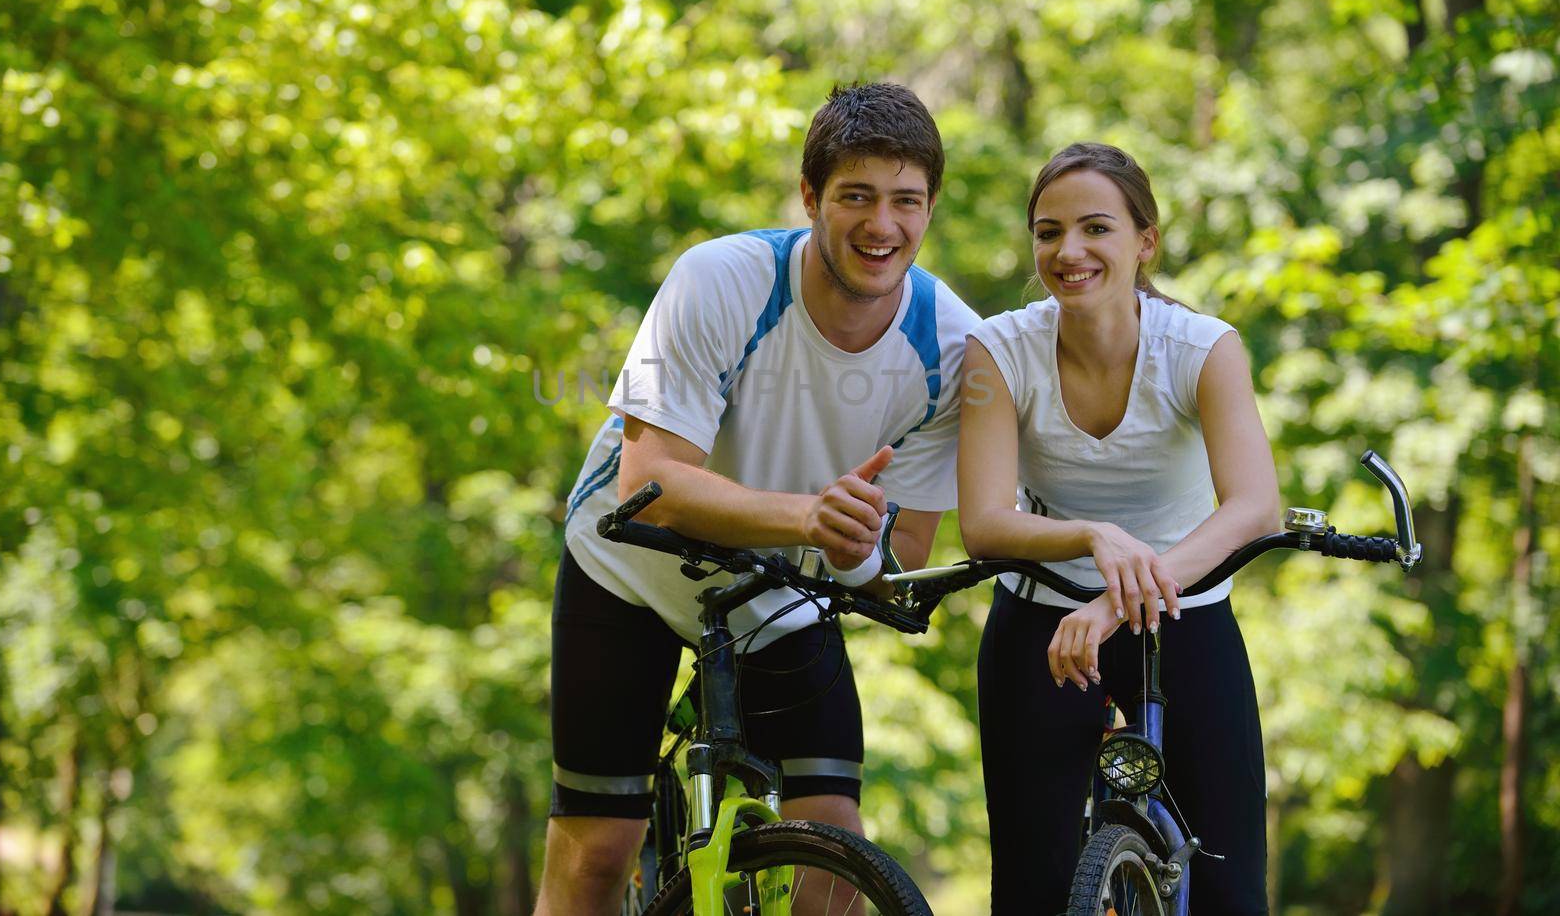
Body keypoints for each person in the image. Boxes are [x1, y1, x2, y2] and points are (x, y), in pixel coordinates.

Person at [535, 82, 981, 915]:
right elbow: (649, 483)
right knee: (599, 849)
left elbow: (905, 556)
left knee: (834, 848)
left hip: (777, 594)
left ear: (930, 208)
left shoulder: (955, 348)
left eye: (905, 201)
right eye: (855, 196)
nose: (881, 226)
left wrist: (858, 554)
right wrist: (810, 518)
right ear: (809, 196)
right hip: (628, 566)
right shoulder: (722, 279)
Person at [958, 142, 1282, 915]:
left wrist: (1117, 601)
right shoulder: (998, 351)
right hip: (1043, 623)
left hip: (1185, 617)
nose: (1068, 251)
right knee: (1033, 887)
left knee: (1231, 891)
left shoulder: (1203, 349)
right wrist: (1092, 536)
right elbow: (983, 524)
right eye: (1047, 231)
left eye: (1095, 228)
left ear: (1146, 241)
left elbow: (1254, 506)